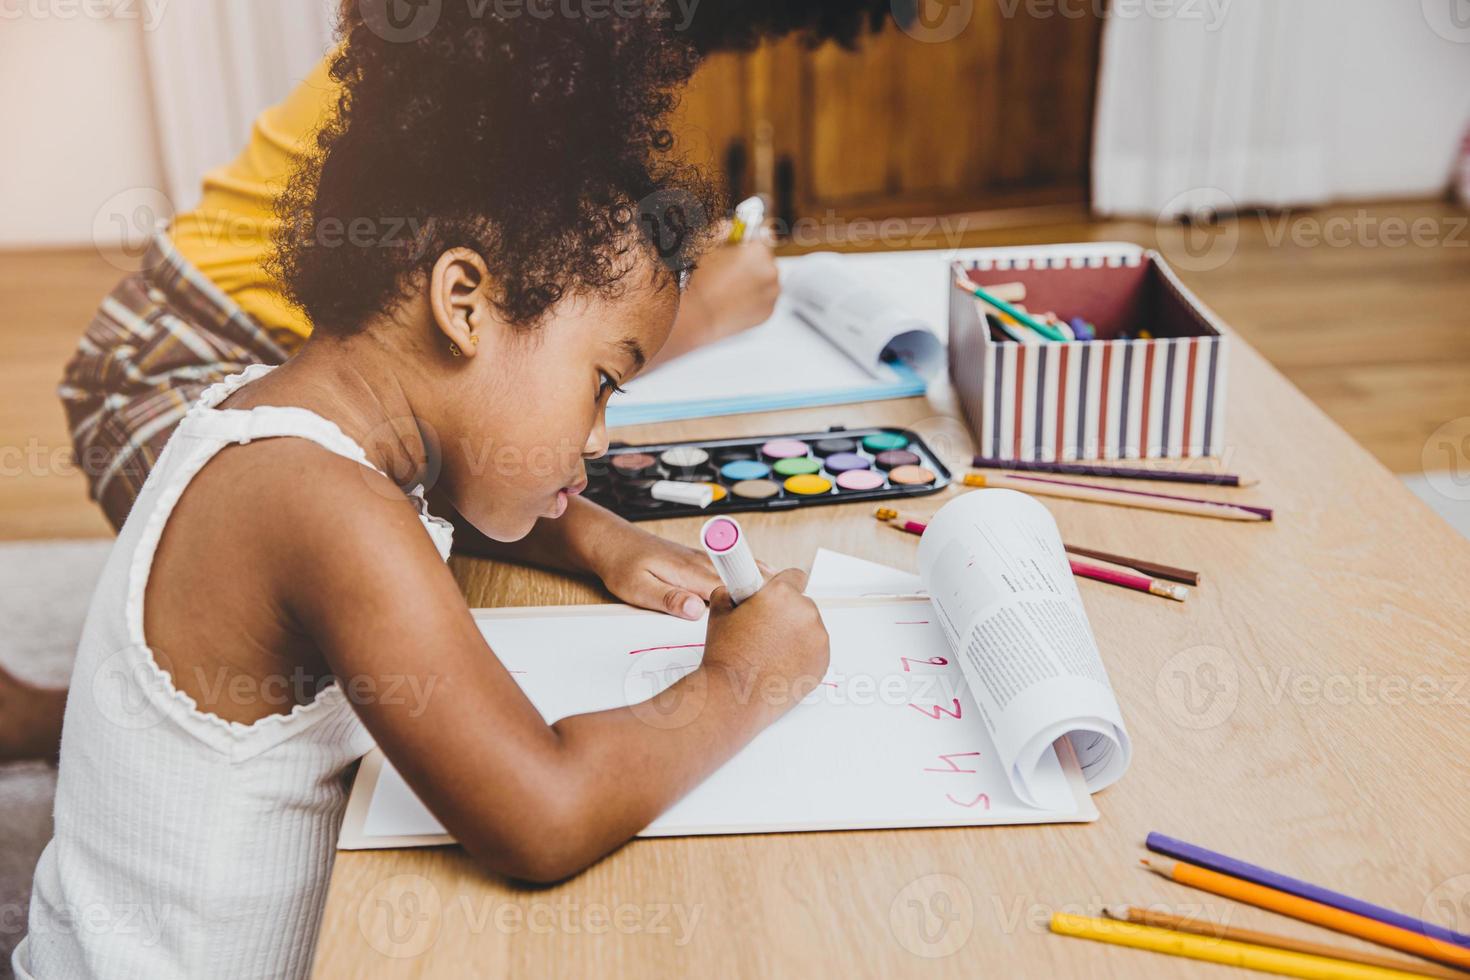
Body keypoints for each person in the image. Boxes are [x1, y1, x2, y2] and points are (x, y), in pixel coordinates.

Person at [12, 5, 901, 978]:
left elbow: (441, 503)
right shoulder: (325, 505)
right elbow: (541, 813)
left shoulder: (286, 417)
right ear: (464, 302)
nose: (599, 433)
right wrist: (743, 678)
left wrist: (597, 535)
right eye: (605, 378)